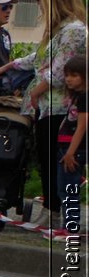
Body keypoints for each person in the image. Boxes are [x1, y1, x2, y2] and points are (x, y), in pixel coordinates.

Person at [24, 0, 88, 220]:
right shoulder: (58, 30)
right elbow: (40, 58)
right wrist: (11, 66)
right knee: (47, 161)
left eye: (42, 1)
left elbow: (61, 68)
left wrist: (37, 90)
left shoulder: (74, 30)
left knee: (60, 165)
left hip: (62, 108)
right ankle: (51, 208)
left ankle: (60, 215)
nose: (40, 7)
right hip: (47, 107)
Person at [54, 56, 85, 231]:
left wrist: (70, 152)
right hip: (67, 147)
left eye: (74, 75)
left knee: (68, 190)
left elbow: (82, 126)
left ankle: (71, 228)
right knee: (65, 189)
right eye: (67, 75)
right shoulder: (76, 96)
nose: (69, 79)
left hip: (74, 150)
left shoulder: (84, 97)